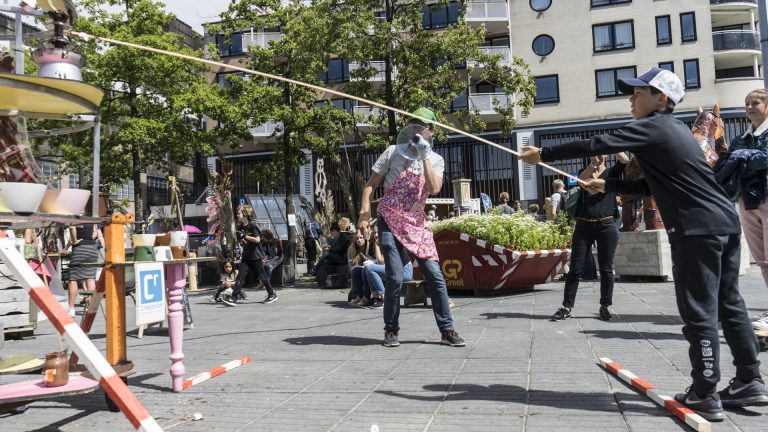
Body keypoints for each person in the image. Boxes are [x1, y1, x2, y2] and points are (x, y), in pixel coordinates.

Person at [519, 66, 767, 420]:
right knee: (729, 303)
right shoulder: (674, 132)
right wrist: (608, 186)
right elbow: (651, 187)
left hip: (696, 229)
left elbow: (598, 144)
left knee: (698, 311)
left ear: (661, 99)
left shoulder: (653, 126)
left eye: (638, 93)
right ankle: (749, 380)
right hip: (723, 225)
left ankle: (705, 391)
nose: (631, 99)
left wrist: (542, 154)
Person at [358, 107, 465, 348]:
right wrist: (363, 217)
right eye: (413, 125)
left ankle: (447, 330)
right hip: (389, 219)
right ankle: (391, 330)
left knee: (435, 276)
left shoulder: (436, 160)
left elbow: (435, 188)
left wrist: (424, 155)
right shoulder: (393, 152)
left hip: (416, 222)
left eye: (422, 126)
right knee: (395, 277)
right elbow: (370, 186)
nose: (417, 130)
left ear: (432, 131)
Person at [550, 152, 628, 322]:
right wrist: (593, 164)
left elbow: (625, 160)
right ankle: (566, 307)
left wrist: (612, 146)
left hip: (606, 225)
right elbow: (580, 181)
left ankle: (605, 306)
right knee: (575, 269)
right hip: (584, 225)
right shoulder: (584, 172)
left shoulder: (612, 173)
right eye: (594, 153)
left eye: (601, 153)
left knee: (607, 269)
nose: (598, 155)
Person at [727, 88, 768, 332]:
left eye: (756, 103)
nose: (750, 107)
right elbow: (729, 161)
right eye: (747, 104)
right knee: (762, 260)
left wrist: (741, 157)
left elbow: (765, 158)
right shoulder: (740, 138)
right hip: (747, 201)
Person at [223, 204, 277, 306]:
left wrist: (245, 236)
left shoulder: (252, 225)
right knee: (240, 277)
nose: (237, 215)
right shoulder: (241, 226)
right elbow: (244, 240)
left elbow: (257, 240)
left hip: (255, 255)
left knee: (262, 276)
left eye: (239, 213)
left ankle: (271, 294)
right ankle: (233, 298)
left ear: (245, 214)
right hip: (247, 255)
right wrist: (241, 239)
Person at [67, 224, 103, 316]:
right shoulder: (91, 218)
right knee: (90, 278)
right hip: (91, 248)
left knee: (73, 279)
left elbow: (72, 227)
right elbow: (95, 233)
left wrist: (75, 240)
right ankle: (89, 306)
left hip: (79, 249)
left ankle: (71, 309)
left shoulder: (76, 216)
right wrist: (88, 239)